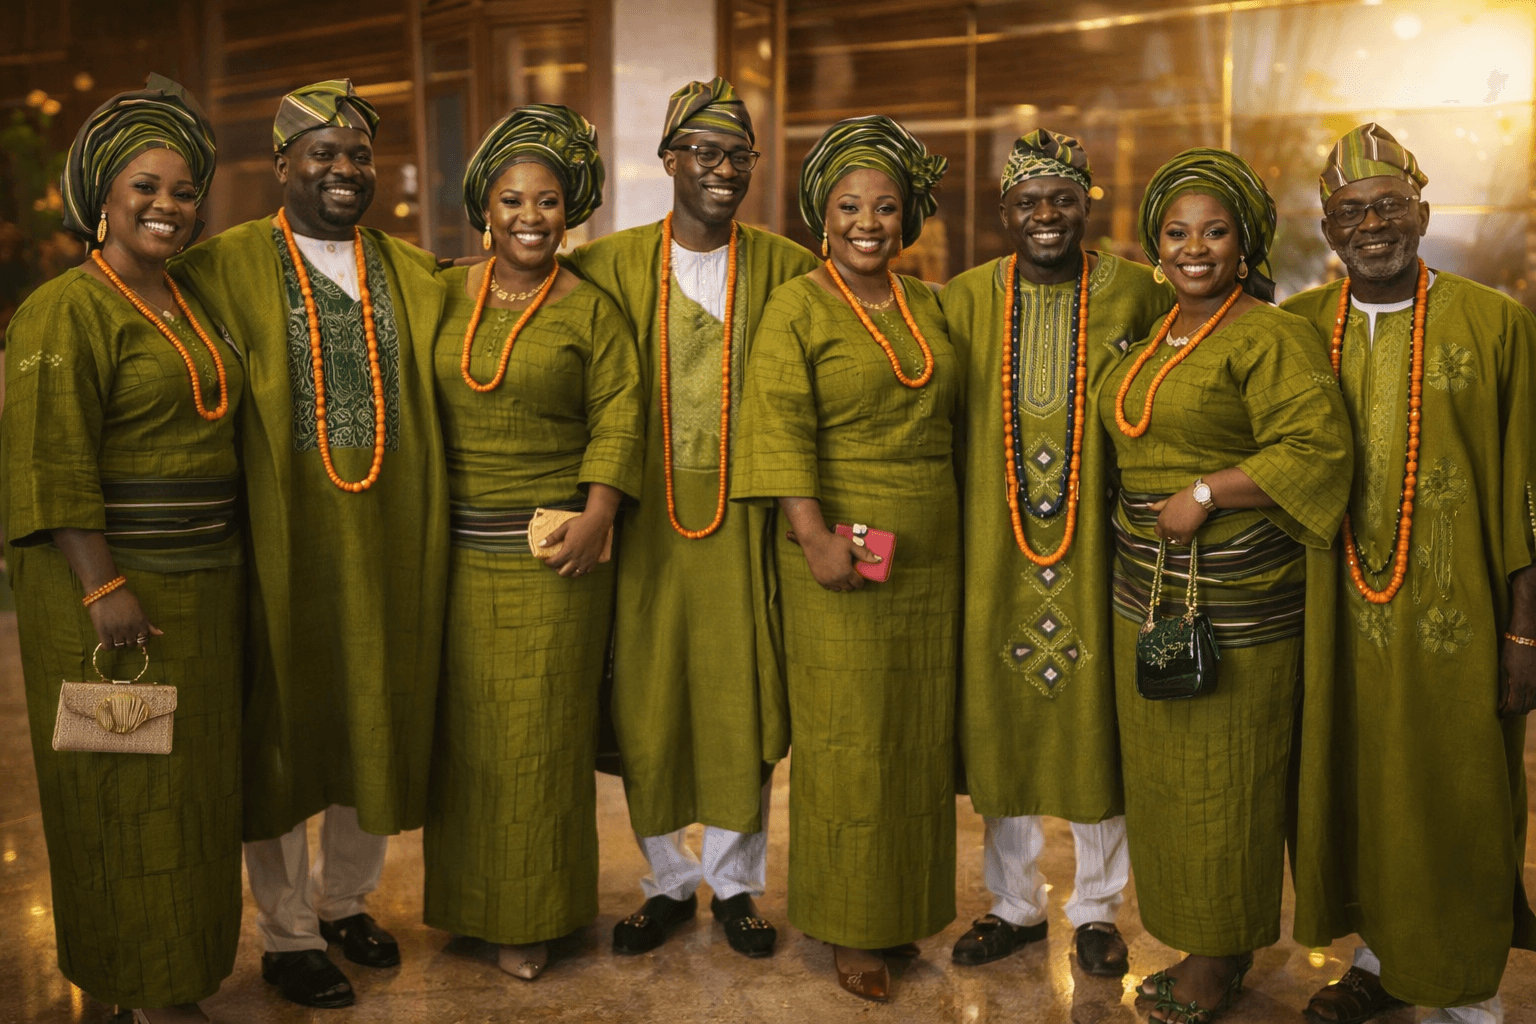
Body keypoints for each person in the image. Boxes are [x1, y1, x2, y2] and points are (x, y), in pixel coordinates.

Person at [171, 80, 448, 1009]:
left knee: (373, 712)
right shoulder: (219, 266)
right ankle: (287, 934)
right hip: (276, 544)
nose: (343, 169)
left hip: (390, 538)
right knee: (282, 729)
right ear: (281, 161)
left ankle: (344, 903)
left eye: (359, 154)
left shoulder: (411, 270)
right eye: (322, 152)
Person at [1, 76, 241, 1024]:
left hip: (203, 593)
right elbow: (48, 459)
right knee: (119, 793)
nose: (166, 206)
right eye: (145, 186)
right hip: (108, 598)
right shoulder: (63, 309)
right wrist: (104, 587)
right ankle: (132, 983)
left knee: (191, 797)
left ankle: (178, 972)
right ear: (102, 195)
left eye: (183, 191)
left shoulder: (189, 298)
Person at [1284, 124, 1536, 1024]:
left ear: (1423, 214)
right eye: (1352, 212)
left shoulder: (1496, 324)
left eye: (1390, 205)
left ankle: (1468, 991)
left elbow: (1529, 487)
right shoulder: (1297, 328)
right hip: (1331, 618)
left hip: (1456, 621)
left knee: (1457, 791)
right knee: (1357, 787)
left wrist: (1524, 629)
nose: (1373, 224)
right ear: (1329, 229)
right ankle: (1382, 963)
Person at [564, 77, 817, 958]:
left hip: (746, 521)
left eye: (739, 155)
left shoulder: (788, 268)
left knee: (739, 699)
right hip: (642, 524)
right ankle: (668, 883)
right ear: (669, 159)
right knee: (651, 700)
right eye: (705, 152)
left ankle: (738, 886)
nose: (723, 169)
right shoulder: (605, 265)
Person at [1097, 148, 1352, 1023]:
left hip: (1238, 608)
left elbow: (1316, 449)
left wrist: (1206, 493)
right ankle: (1199, 940)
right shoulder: (1152, 338)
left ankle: (1217, 958)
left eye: (1214, 232)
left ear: (1245, 246)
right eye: (1176, 232)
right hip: (1150, 595)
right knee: (1168, 785)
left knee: (1227, 783)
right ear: (1154, 247)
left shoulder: (1269, 336)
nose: (1194, 248)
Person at [734, 114, 957, 1003]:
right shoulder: (798, 305)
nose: (869, 223)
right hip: (837, 555)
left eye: (886, 207)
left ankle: (900, 907)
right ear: (821, 218)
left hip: (929, 562)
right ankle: (852, 926)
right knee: (849, 742)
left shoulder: (926, 304)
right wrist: (812, 533)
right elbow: (776, 423)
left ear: (908, 219)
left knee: (913, 739)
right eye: (850, 207)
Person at [422, 104, 644, 981]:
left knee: (539, 743)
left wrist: (599, 516)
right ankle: (468, 907)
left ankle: (530, 916)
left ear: (571, 211)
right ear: (485, 207)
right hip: (452, 558)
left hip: (554, 560)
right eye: (512, 200)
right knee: (467, 742)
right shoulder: (443, 292)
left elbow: (621, 415)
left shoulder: (591, 310)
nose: (530, 217)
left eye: (548, 201)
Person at [941, 129, 1170, 977]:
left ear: (1087, 206)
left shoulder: (1138, 293)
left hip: (1104, 552)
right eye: (1029, 201)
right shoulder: (964, 298)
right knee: (1000, 719)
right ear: (1005, 212)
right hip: (993, 548)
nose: (1047, 214)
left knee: (1094, 725)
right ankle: (1013, 904)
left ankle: (1098, 910)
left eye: (1063, 199)